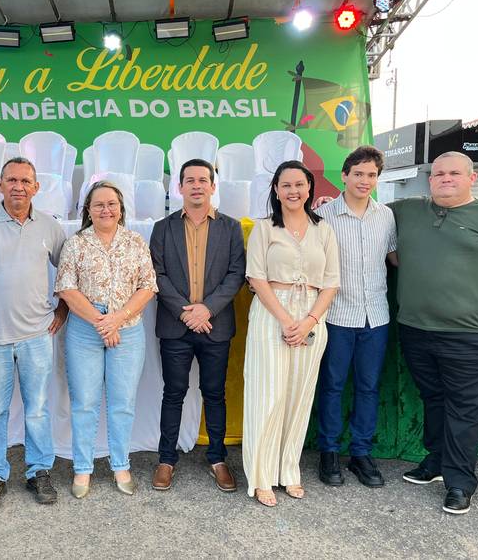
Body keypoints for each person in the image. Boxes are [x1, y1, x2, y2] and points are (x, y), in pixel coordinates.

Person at [391, 151, 478, 515]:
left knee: (465, 409)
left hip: (471, 336)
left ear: (472, 178)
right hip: (416, 329)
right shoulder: (406, 210)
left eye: (454, 173)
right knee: (433, 400)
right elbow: (365, 211)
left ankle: (459, 482)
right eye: (438, 174)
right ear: (430, 179)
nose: (445, 179)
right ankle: (436, 463)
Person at [0, 157, 67, 512]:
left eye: (25, 181)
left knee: (37, 410)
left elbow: (69, 274)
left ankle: (39, 472)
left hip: (37, 335)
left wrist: (63, 310)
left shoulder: (50, 227)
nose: (18, 186)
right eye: (11, 180)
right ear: (0, 184)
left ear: (37, 187)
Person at [242, 160, 340, 507]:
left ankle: (289, 472)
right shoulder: (264, 229)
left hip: (312, 316)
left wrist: (310, 320)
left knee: (299, 398)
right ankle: (261, 475)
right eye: (286, 185)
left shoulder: (324, 230)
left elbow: (331, 283)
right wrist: (286, 320)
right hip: (273, 314)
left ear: (310, 188)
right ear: (276, 190)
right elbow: (256, 278)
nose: (293, 191)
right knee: (269, 396)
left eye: (299, 184)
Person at [55, 181, 158, 499]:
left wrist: (117, 319)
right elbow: (67, 289)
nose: (106, 209)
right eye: (98, 204)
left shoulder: (136, 242)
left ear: (121, 208)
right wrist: (102, 322)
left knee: (122, 403)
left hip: (126, 328)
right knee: (84, 403)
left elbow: (147, 286)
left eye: (111, 203)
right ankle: (82, 469)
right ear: (87, 209)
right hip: (86, 329)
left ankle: (120, 465)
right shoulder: (76, 244)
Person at [149, 159, 245, 492]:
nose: (196, 185)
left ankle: (217, 458)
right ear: (180, 187)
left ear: (212, 186)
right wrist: (185, 312)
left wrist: (207, 310)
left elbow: (236, 275)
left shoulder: (230, 228)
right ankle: (166, 460)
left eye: (203, 180)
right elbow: (156, 275)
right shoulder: (163, 228)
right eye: (189, 180)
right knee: (173, 393)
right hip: (176, 327)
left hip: (215, 326)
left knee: (214, 394)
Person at [314, 146, 397, 489]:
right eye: (358, 174)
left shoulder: (386, 216)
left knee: (368, 387)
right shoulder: (323, 215)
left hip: (375, 315)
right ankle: (329, 451)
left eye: (372, 175)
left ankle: (361, 453)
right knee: (332, 387)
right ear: (344, 176)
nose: (365, 181)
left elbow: (393, 259)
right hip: (336, 314)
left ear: (378, 179)